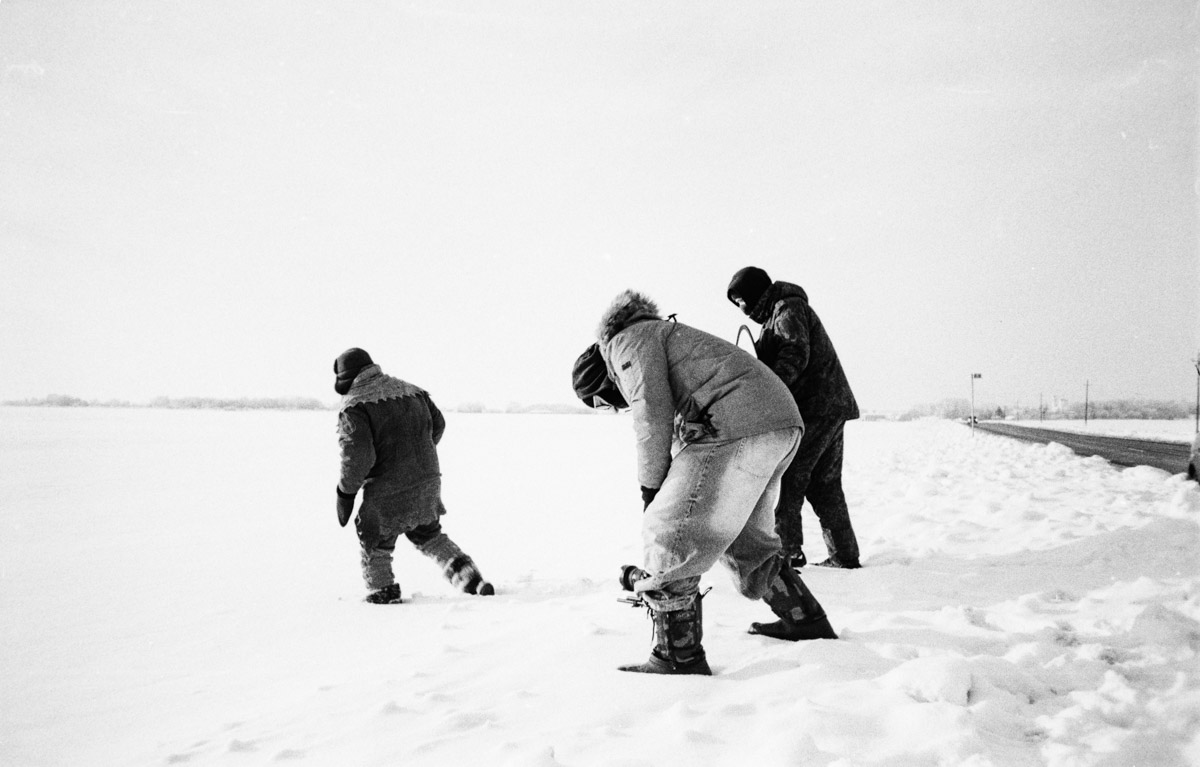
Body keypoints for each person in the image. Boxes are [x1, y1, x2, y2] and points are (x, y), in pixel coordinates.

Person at [572, 290, 837, 676]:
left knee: (669, 530)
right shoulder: (660, 336)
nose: (614, 407)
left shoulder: (624, 343)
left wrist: (652, 491)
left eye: (602, 402)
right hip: (777, 422)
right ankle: (804, 618)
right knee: (740, 536)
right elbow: (678, 429)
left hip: (738, 424)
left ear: (600, 379)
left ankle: (678, 655)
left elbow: (651, 416)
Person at [333, 348, 494, 603]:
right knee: (428, 533)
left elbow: (358, 457)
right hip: (426, 480)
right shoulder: (411, 391)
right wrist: (416, 457)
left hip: (387, 489)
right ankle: (470, 579)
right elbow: (438, 424)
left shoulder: (355, 405)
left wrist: (345, 494)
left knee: (375, 536)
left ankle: (382, 591)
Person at [726, 266, 862, 569]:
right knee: (825, 485)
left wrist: (767, 394)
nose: (741, 307)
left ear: (754, 293)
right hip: (827, 406)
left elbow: (794, 354)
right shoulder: (777, 313)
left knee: (790, 478)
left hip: (816, 408)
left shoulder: (787, 310)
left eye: (741, 300)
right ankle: (844, 555)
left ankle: (787, 553)